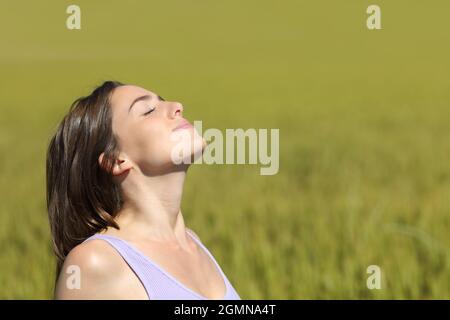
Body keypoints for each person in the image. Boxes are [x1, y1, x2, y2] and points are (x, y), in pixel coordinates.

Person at [46, 81, 241, 299]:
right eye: (148, 111)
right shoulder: (93, 262)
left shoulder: (193, 244)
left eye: (162, 101)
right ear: (116, 160)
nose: (177, 106)